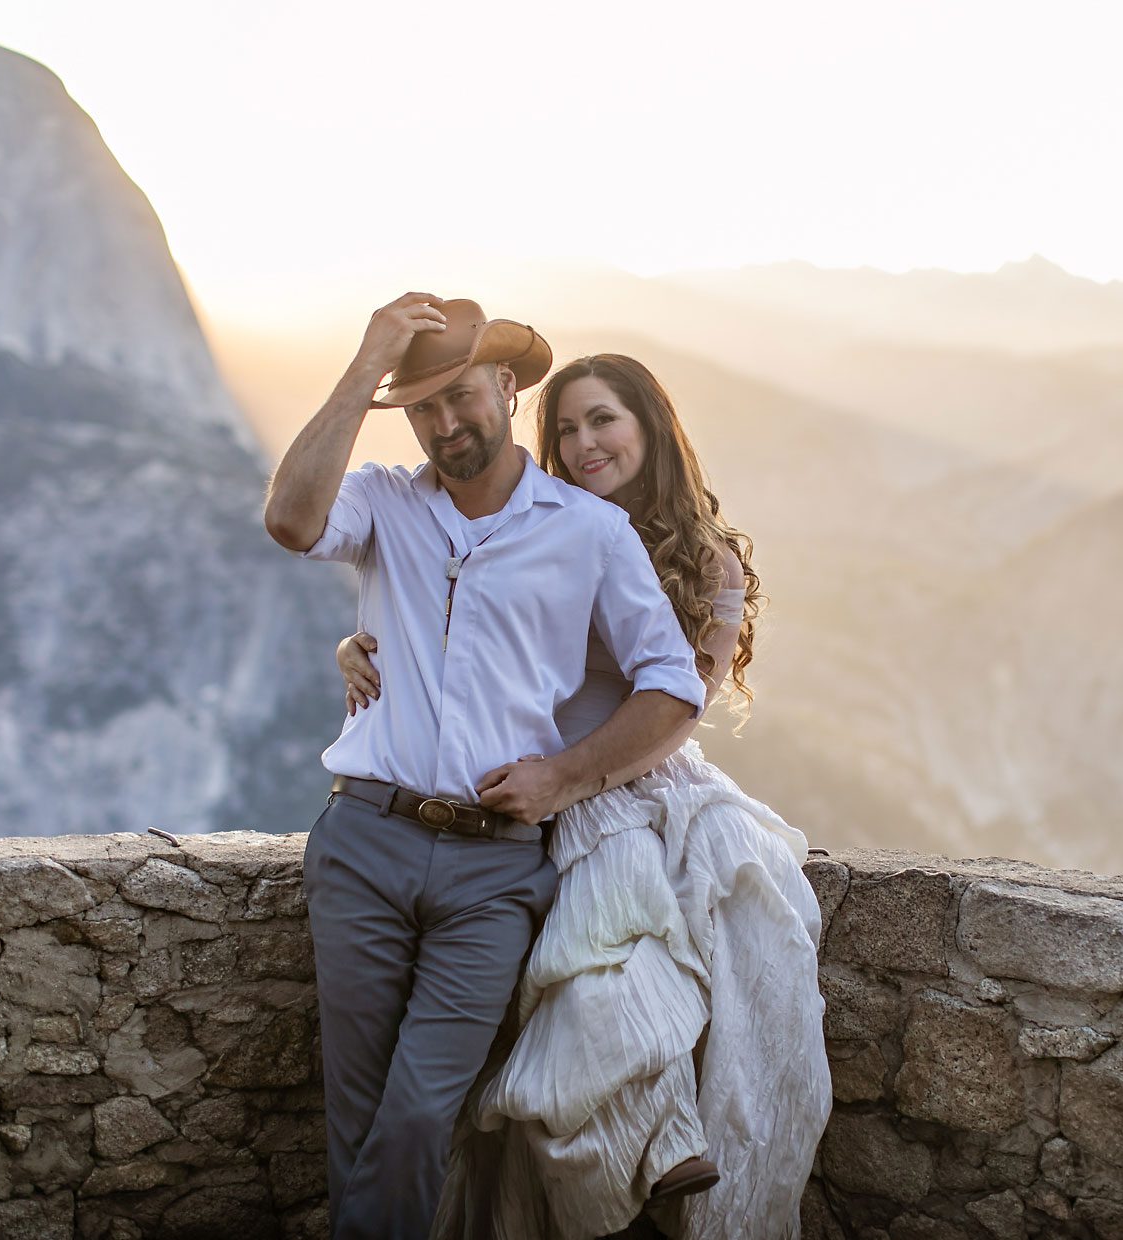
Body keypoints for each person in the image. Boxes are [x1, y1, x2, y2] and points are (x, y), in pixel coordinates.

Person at [335, 354, 831, 1239]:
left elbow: (679, 703)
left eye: (602, 420)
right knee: (598, 937)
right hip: (520, 784)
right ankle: (649, 1136)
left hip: (616, 777)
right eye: (566, 429)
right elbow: (479, 640)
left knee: (618, 925)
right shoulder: (547, 529)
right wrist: (365, 644)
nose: (583, 442)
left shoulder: (695, 559)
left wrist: (579, 780)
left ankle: (663, 1130)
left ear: (651, 427)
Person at [263, 298, 709, 1240]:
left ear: (508, 388)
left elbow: (672, 684)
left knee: (422, 1108)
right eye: (420, 407)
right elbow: (291, 521)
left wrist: (567, 778)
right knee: (357, 1114)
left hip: (494, 867)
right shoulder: (382, 499)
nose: (444, 424)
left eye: (460, 396)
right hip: (362, 843)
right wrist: (363, 367)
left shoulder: (588, 530)